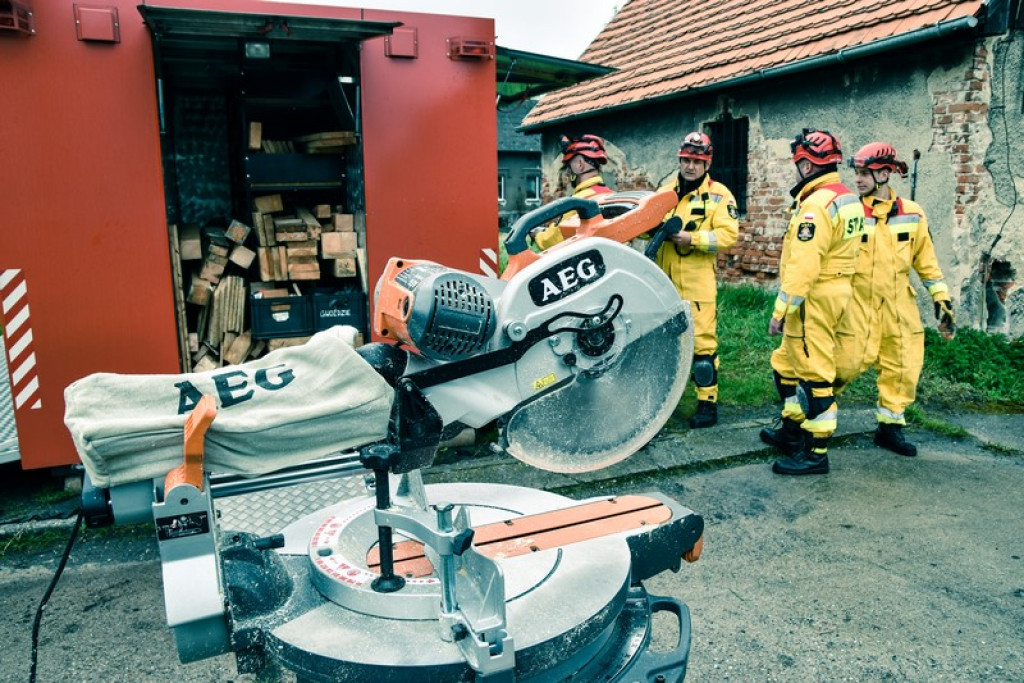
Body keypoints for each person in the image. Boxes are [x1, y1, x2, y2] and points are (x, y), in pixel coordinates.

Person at [833, 142, 955, 457]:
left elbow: (926, 261)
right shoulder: (850, 211)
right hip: (857, 300)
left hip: (900, 302)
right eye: (856, 173)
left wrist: (940, 297)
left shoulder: (912, 214)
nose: (858, 180)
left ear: (885, 173)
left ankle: (890, 428)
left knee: (902, 365)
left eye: (865, 173)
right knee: (843, 364)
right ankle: (812, 415)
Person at [761, 129, 864, 475]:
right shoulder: (847, 198)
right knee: (785, 364)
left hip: (813, 298)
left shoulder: (815, 206)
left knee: (815, 373)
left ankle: (815, 452)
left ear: (806, 165)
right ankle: (792, 431)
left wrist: (781, 311)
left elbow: (804, 266)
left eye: (797, 164)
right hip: (836, 290)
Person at [649, 132, 739, 428]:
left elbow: (728, 236)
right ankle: (662, 402)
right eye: (686, 160)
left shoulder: (720, 195)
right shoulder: (665, 191)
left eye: (696, 161)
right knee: (663, 345)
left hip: (698, 284)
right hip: (663, 283)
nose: (690, 166)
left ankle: (707, 404)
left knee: (702, 347)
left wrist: (693, 238)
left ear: (707, 162)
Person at [531, 134, 614, 250]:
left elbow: (553, 240)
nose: (568, 173)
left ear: (579, 165)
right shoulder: (611, 195)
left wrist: (537, 235)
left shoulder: (579, 201)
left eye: (568, 167)